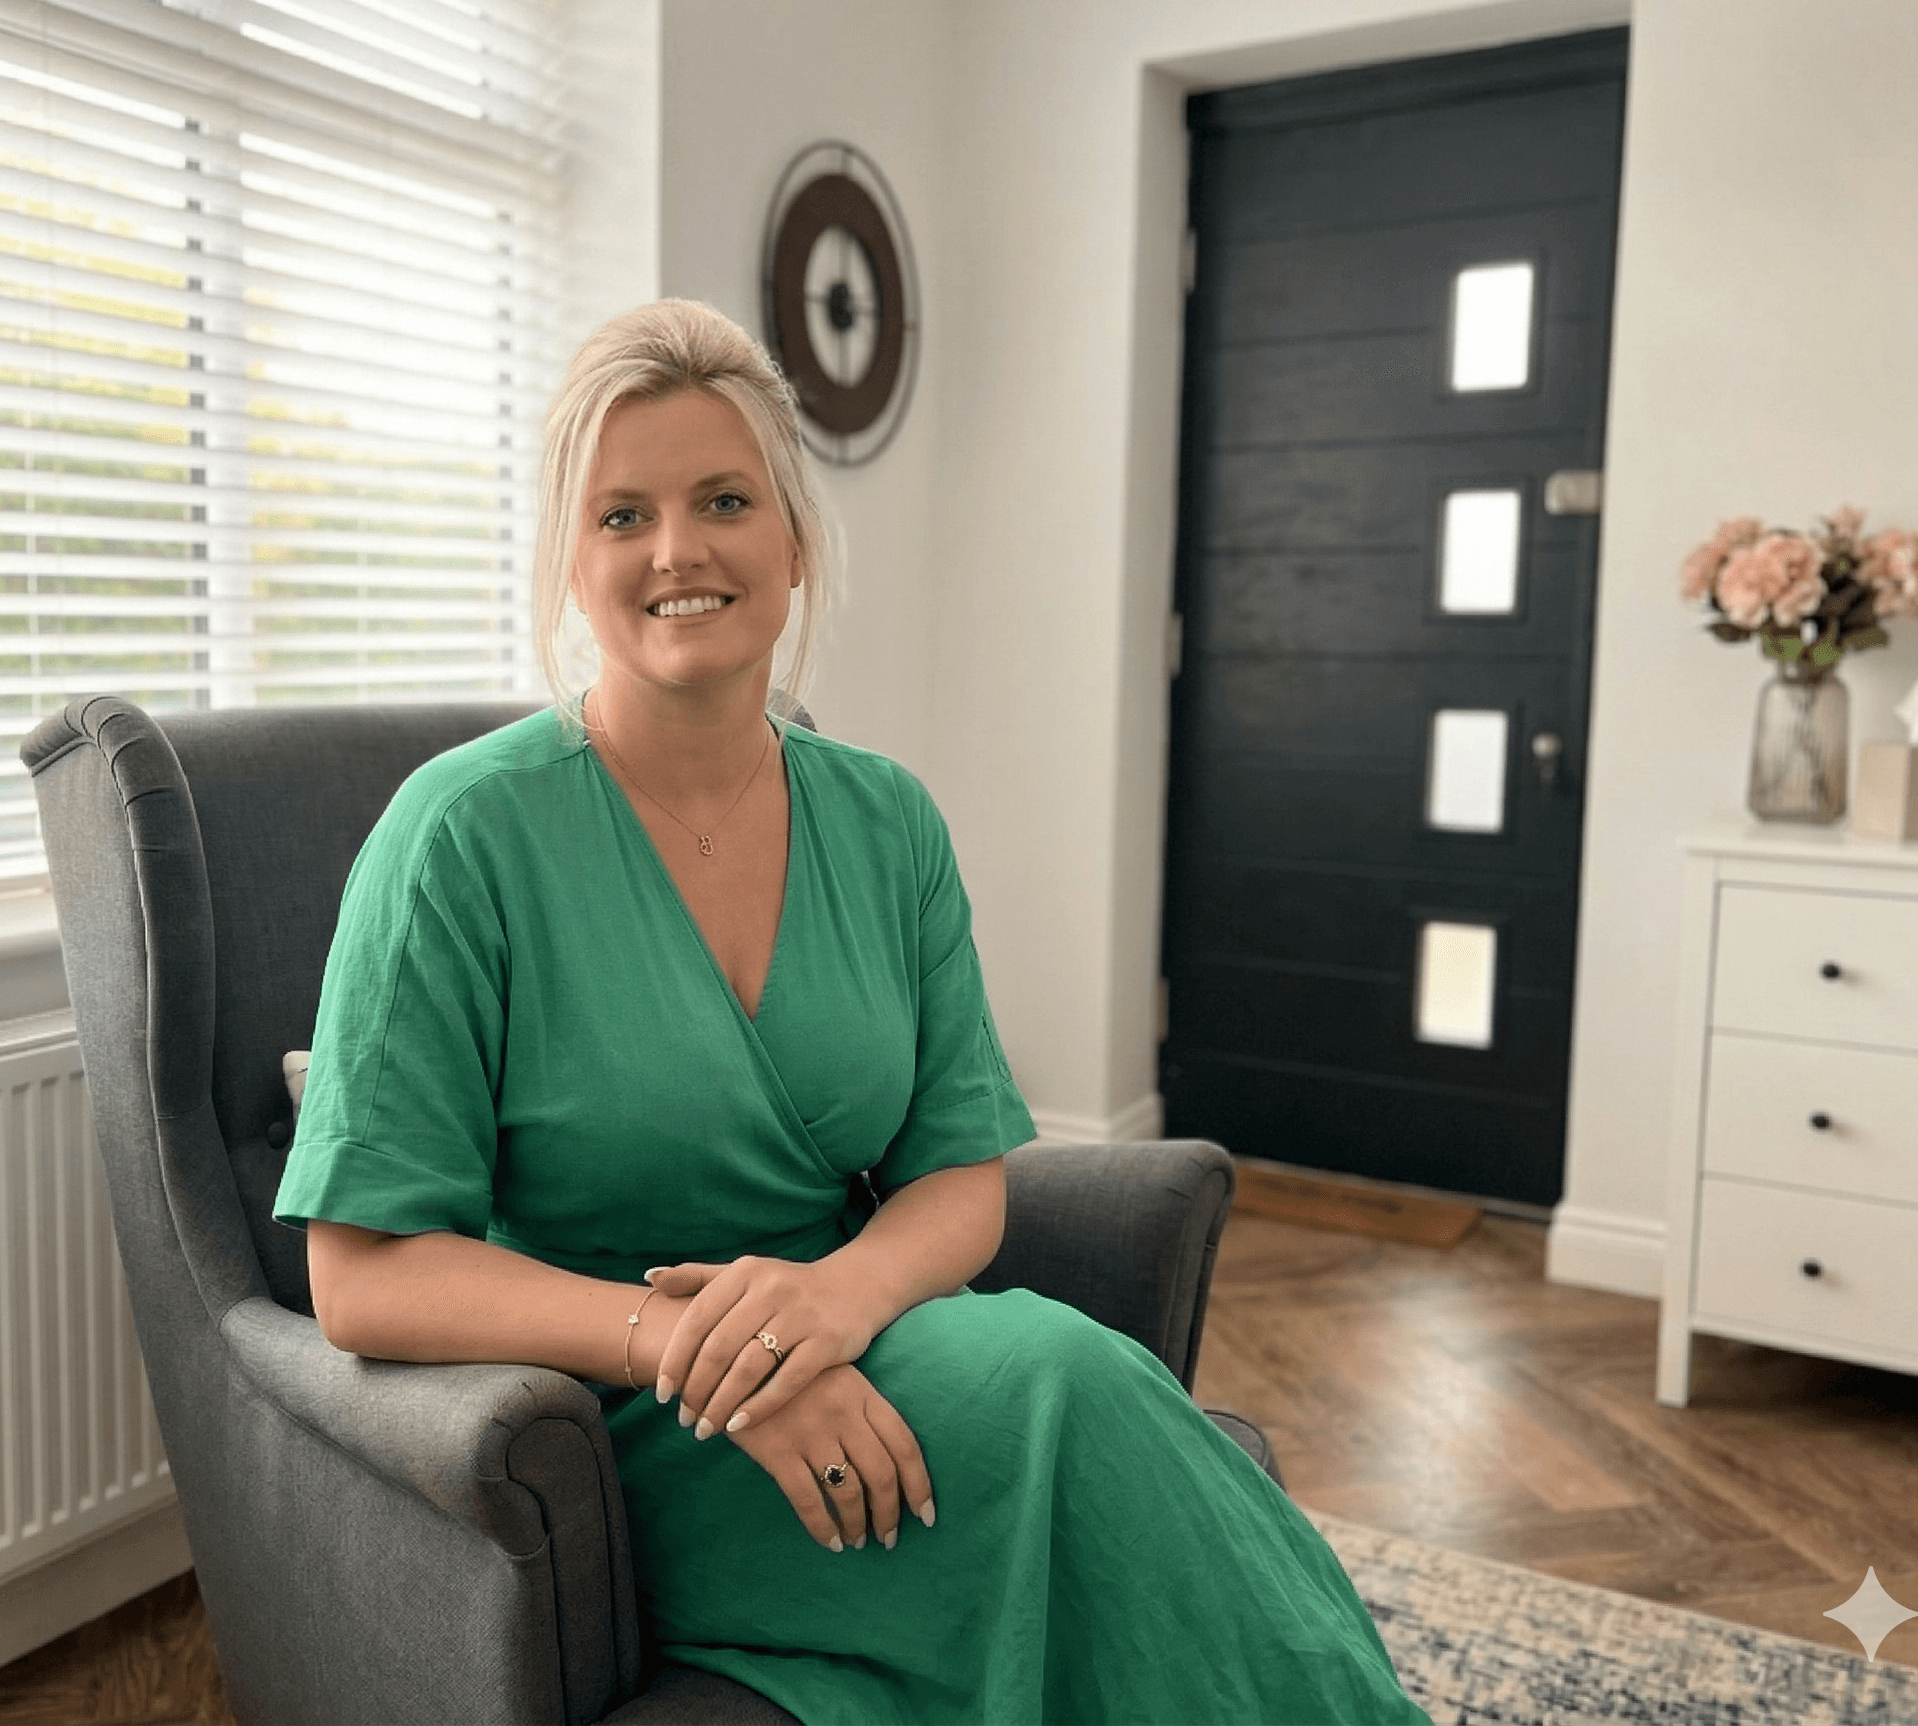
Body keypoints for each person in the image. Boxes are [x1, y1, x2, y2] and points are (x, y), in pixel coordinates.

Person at [273, 299, 1428, 1724]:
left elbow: (954, 1176)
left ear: (795, 539)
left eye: (723, 500)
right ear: (572, 568)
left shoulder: (886, 820)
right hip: (608, 1416)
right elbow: (362, 1278)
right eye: (621, 514)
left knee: (1074, 1389)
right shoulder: (454, 835)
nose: (677, 550)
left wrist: (828, 1306)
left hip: (862, 1337)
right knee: (1071, 1393)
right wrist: (704, 1360)